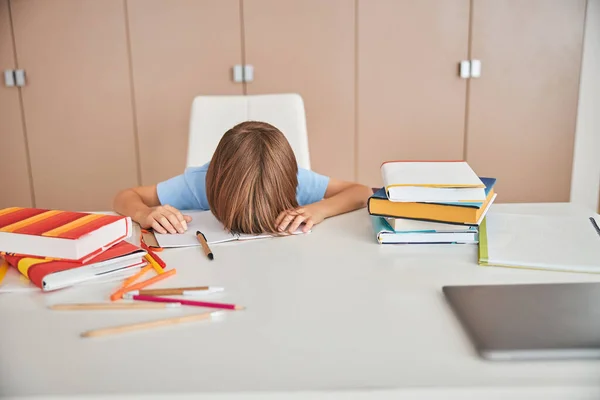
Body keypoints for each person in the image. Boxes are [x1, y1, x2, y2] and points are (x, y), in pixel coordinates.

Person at [113, 121, 372, 235]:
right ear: (216, 186)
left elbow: (361, 191)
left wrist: (319, 210)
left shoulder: (295, 180)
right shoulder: (198, 182)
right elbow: (125, 197)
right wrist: (145, 215)